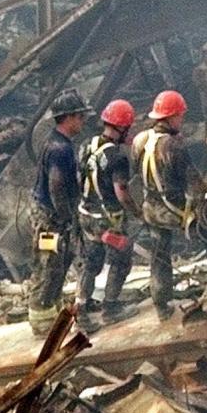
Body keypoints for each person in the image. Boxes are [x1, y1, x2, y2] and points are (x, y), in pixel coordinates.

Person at [132, 90, 207, 320]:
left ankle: (162, 306)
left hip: (150, 208)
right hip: (173, 209)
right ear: (172, 116)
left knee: (159, 256)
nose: (182, 121)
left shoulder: (140, 140)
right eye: (180, 117)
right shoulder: (173, 146)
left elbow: (136, 173)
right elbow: (194, 183)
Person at [27, 88, 91, 335]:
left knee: (57, 265)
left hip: (48, 216)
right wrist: (66, 218)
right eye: (80, 117)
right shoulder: (60, 149)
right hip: (50, 220)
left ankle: (51, 314)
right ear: (69, 117)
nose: (83, 122)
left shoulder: (56, 142)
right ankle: (43, 323)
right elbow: (56, 186)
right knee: (49, 266)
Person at [76, 99, 138, 325]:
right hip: (109, 219)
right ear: (122, 127)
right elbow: (121, 192)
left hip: (86, 215)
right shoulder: (118, 157)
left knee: (91, 263)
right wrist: (136, 211)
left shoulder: (85, 145)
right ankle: (111, 308)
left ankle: (80, 310)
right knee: (121, 260)